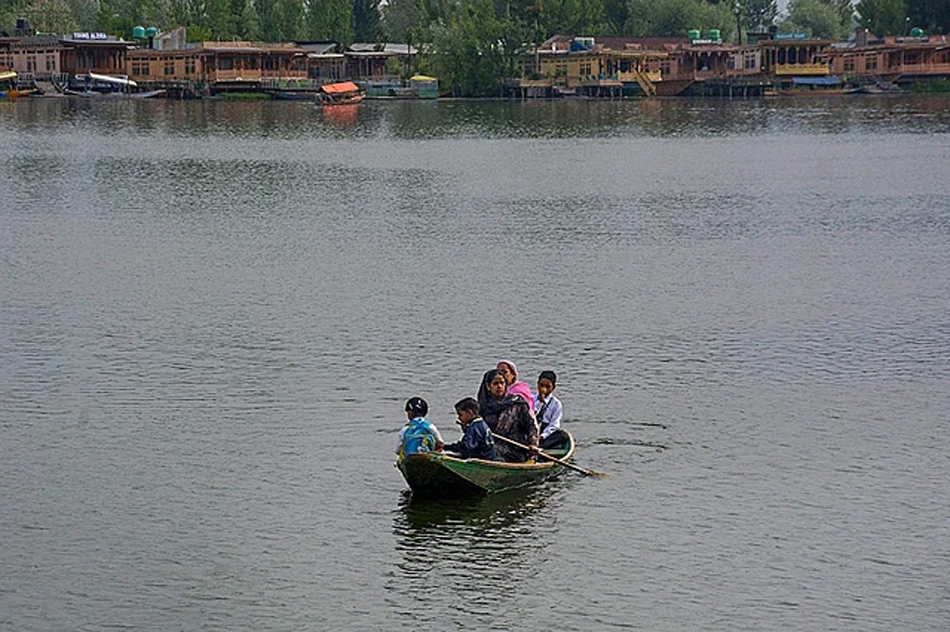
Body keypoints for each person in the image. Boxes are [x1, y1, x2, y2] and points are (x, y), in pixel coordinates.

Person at [477, 368, 539, 462]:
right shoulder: (483, 407)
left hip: (514, 448)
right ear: (488, 386)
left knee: (493, 452)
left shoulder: (517, 403)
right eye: (495, 384)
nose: (499, 386)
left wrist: (533, 444)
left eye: (502, 383)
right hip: (489, 446)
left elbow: (530, 426)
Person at [534, 370, 568, 450]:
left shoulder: (556, 404)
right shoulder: (531, 399)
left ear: (553, 388)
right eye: (541, 385)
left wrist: (542, 436)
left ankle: (540, 447)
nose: (543, 389)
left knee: (563, 435)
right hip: (531, 429)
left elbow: (554, 425)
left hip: (545, 432)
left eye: (547, 387)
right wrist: (539, 402)